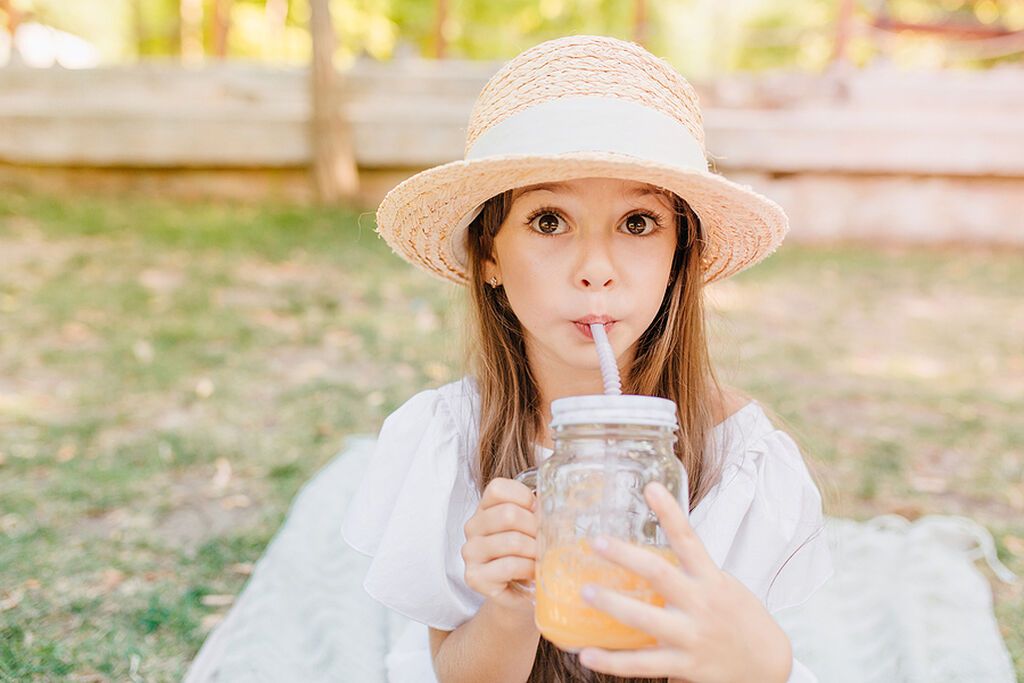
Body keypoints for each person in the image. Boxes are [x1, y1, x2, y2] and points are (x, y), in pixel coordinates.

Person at [342, 34, 833, 683]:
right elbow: (457, 672)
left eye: (637, 223)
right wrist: (510, 605)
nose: (596, 270)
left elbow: (760, 663)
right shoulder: (449, 441)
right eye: (549, 220)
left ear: (678, 256)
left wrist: (755, 661)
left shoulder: (740, 463)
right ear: (488, 254)